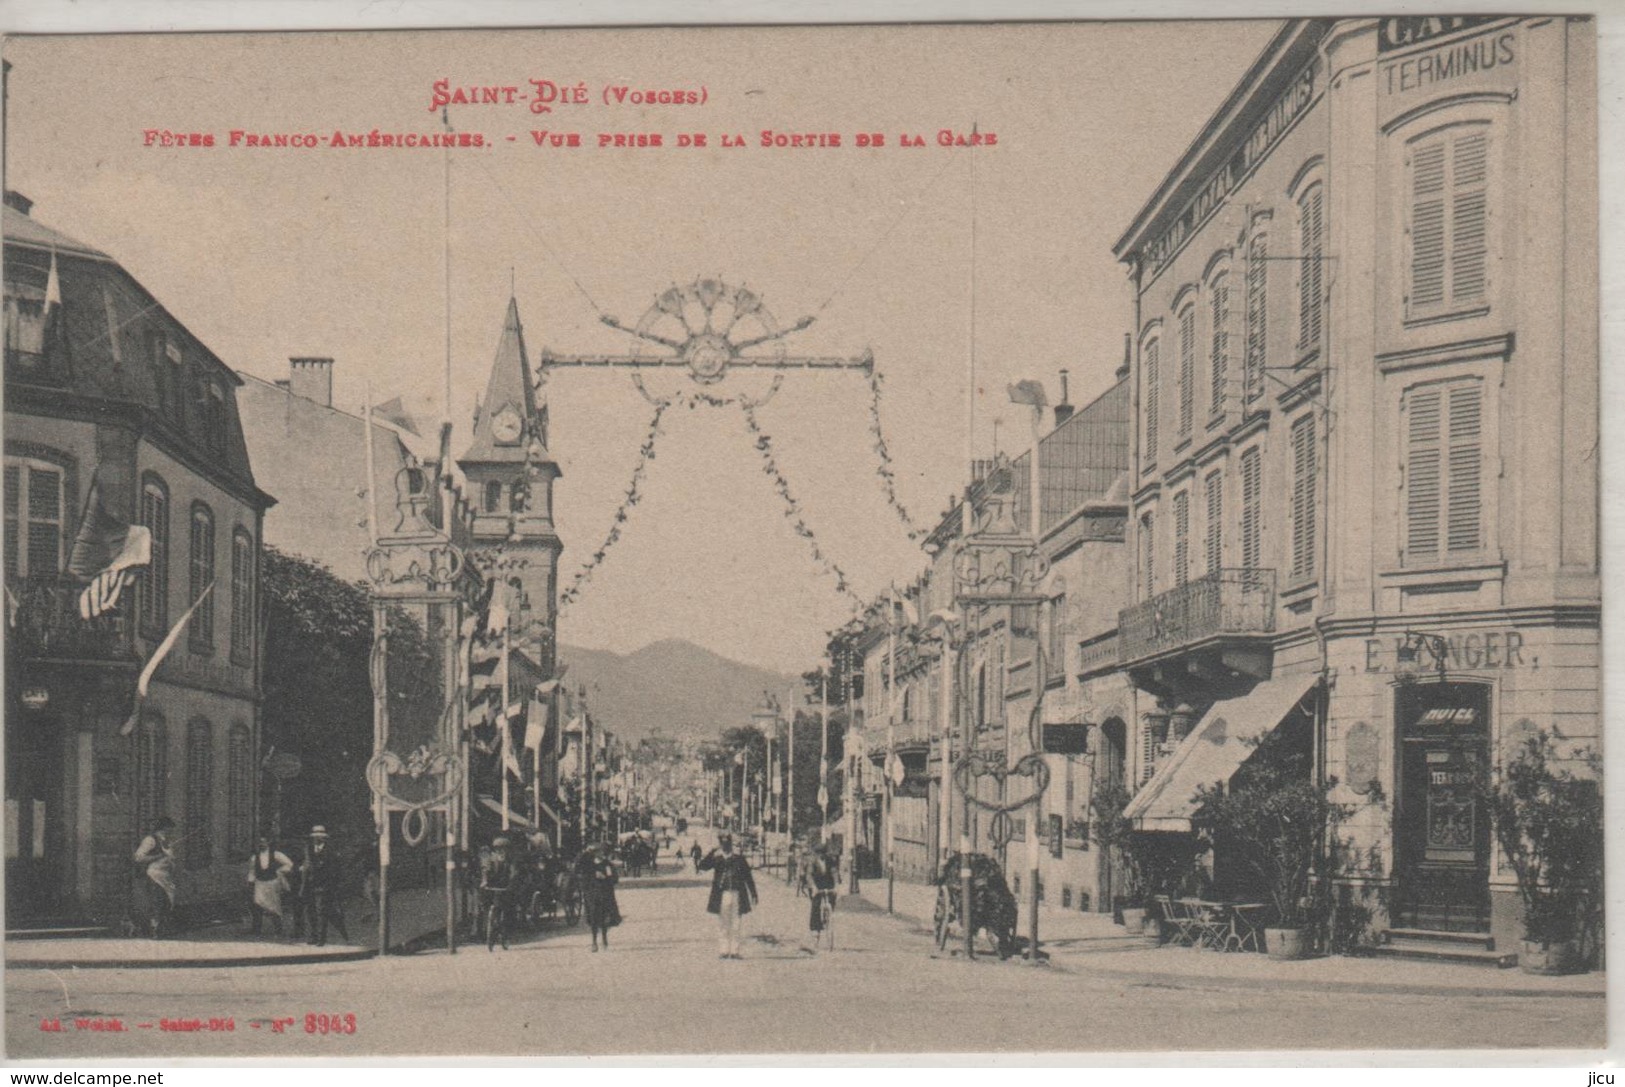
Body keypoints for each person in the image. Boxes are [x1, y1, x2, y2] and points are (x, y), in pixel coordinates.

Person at [699, 832, 757, 960]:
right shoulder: (717, 859)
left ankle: (735, 951)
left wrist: (753, 894)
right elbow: (702, 866)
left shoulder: (739, 859)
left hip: (737, 894)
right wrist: (711, 852)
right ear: (720, 845)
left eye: (727, 844)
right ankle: (724, 950)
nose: (725, 846)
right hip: (722, 895)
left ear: (730, 844)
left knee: (736, 923)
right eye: (723, 844)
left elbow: (748, 877)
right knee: (723, 923)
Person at [300, 826, 350, 946]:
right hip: (309, 885)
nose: (317, 839)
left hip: (323, 886)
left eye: (319, 836)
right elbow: (306, 864)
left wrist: (331, 885)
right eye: (315, 836)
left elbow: (334, 870)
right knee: (310, 912)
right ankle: (313, 936)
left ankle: (321, 938)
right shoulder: (309, 849)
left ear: (324, 838)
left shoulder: (330, 851)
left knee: (321, 912)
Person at [132, 817, 177, 939]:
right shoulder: (150, 840)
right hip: (154, 876)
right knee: (157, 903)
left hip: (166, 878)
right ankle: (154, 931)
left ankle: (161, 929)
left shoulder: (166, 842)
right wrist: (158, 856)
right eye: (168, 831)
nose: (170, 834)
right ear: (161, 829)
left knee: (167, 903)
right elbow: (138, 858)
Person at [246, 835, 294, 936]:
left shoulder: (276, 854)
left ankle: (278, 930)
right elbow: (252, 871)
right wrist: (250, 882)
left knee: (274, 907)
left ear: (268, 843)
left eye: (263, 842)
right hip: (260, 883)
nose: (261, 844)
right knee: (257, 905)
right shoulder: (255, 857)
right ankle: (256, 930)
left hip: (272, 883)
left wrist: (279, 871)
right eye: (260, 842)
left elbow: (289, 864)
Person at [480, 835, 521, 951]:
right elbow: (485, 870)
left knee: (509, 911)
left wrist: (511, 885)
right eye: (498, 849)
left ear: (507, 850)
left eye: (503, 849)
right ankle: (488, 928)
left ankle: (507, 935)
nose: (500, 851)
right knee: (486, 904)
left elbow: (514, 873)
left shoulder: (511, 860)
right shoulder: (491, 859)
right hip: (493, 887)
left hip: (507, 888)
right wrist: (484, 881)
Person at [578, 841, 621, 952]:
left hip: (604, 895)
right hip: (591, 895)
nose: (602, 855)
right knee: (593, 918)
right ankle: (594, 942)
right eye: (599, 852)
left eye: (603, 853)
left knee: (603, 919)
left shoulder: (607, 865)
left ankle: (604, 939)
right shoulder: (588, 864)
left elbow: (615, 879)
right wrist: (585, 852)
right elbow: (578, 866)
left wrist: (605, 877)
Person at [806, 845, 838, 949]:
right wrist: (814, 887)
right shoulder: (812, 862)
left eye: (824, 853)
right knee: (815, 905)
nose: (822, 856)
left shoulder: (830, 861)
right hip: (817, 885)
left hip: (828, 884)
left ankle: (828, 916)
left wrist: (836, 886)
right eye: (820, 854)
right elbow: (809, 875)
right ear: (817, 854)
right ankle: (815, 931)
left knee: (832, 898)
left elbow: (834, 873)